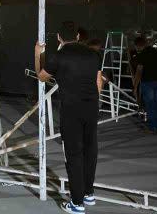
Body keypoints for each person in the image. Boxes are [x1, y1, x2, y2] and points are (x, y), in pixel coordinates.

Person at [35, 22, 103, 214]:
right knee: (90, 150)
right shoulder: (93, 55)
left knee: (73, 155)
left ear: (59, 37)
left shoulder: (59, 57)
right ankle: (88, 193)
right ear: (78, 36)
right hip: (91, 108)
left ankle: (77, 203)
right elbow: (98, 83)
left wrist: (37, 53)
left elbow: (41, 76)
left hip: (71, 110)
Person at [133, 36, 157, 132]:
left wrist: (135, 86)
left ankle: (152, 126)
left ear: (138, 45)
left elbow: (139, 71)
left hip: (148, 82)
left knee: (150, 104)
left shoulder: (142, 55)